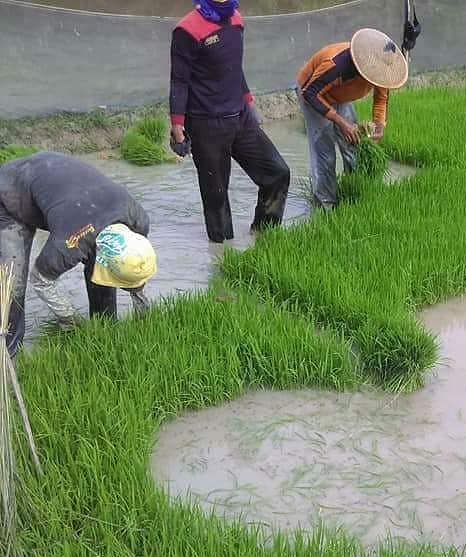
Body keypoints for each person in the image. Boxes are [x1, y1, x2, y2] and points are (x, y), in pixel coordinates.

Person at [0, 152, 157, 357]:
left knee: (105, 265)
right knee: (12, 283)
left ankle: (105, 331)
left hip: (65, 190)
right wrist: (69, 318)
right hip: (12, 190)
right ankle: (9, 353)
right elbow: (40, 280)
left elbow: (132, 267)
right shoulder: (69, 243)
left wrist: (143, 314)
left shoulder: (138, 220)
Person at [169, 0, 290, 243]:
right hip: (206, 124)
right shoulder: (187, 30)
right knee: (216, 197)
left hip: (240, 116)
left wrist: (248, 101)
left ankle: (263, 237)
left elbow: (235, 67)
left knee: (277, 173)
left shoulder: (236, 19)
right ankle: (222, 254)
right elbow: (179, 81)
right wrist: (177, 125)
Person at [296, 28, 409, 210]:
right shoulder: (337, 65)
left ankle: (355, 192)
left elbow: (381, 99)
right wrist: (341, 122)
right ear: (366, 66)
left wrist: (379, 126)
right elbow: (309, 93)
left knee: (354, 145)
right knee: (325, 154)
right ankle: (326, 205)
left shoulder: (381, 70)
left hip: (340, 95)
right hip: (314, 93)